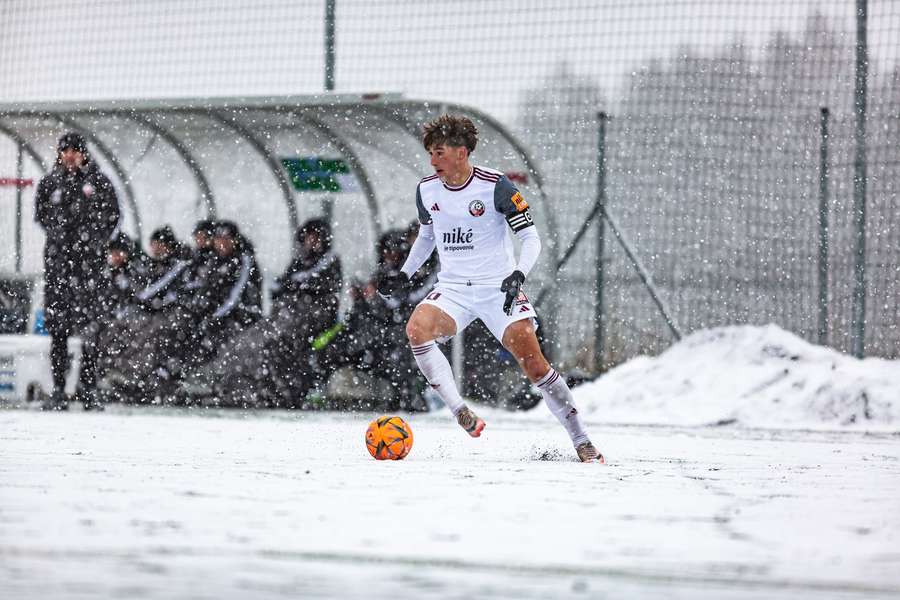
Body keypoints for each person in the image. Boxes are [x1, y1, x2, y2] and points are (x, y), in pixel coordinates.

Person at [378, 115, 604, 463]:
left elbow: (529, 236)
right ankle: (458, 411)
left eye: (439, 153)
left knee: (535, 367)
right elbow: (427, 235)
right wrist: (405, 273)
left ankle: (582, 440)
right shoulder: (426, 189)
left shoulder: (495, 185)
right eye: (430, 154)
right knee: (416, 330)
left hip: (499, 290)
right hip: (453, 290)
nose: (432, 161)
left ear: (461, 152)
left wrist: (518, 274)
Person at [34, 132, 120, 411]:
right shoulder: (50, 182)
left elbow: (112, 216)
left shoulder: (98, 182)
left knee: (91, 332)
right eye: (65, 150)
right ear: (59, 153)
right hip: (59, 268)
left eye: (75, 150)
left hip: (89, 270)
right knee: (58, 330)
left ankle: (87, 388)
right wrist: (63, 237)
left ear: (84, 153)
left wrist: (91, 240)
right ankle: (59, 388)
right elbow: (42, 215)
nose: (70, 155)